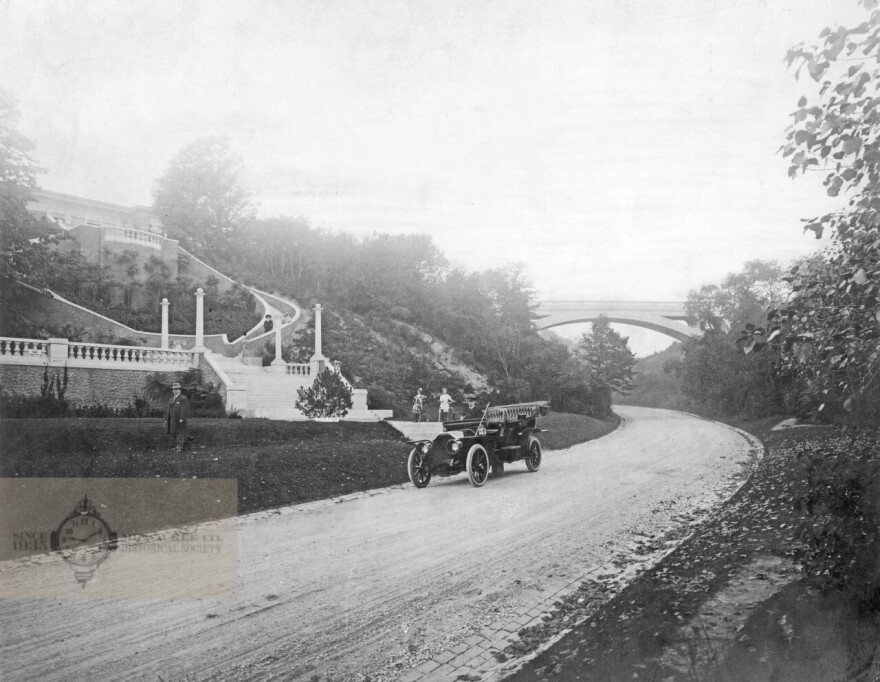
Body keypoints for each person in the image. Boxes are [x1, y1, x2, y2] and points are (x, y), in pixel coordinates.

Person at [165, 382, 190, 453]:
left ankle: (180, 447)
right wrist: (166, 419)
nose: (174, 391)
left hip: (179, 419)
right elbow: (168, 410)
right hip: (172, 419)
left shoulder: (183, 398)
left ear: (180, 390)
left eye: (176, 389)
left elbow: (184, 409)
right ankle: (176, 446)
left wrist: (182, 418)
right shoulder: (171, 399)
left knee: (180, 433)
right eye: (173, 389)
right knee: (173, 432)